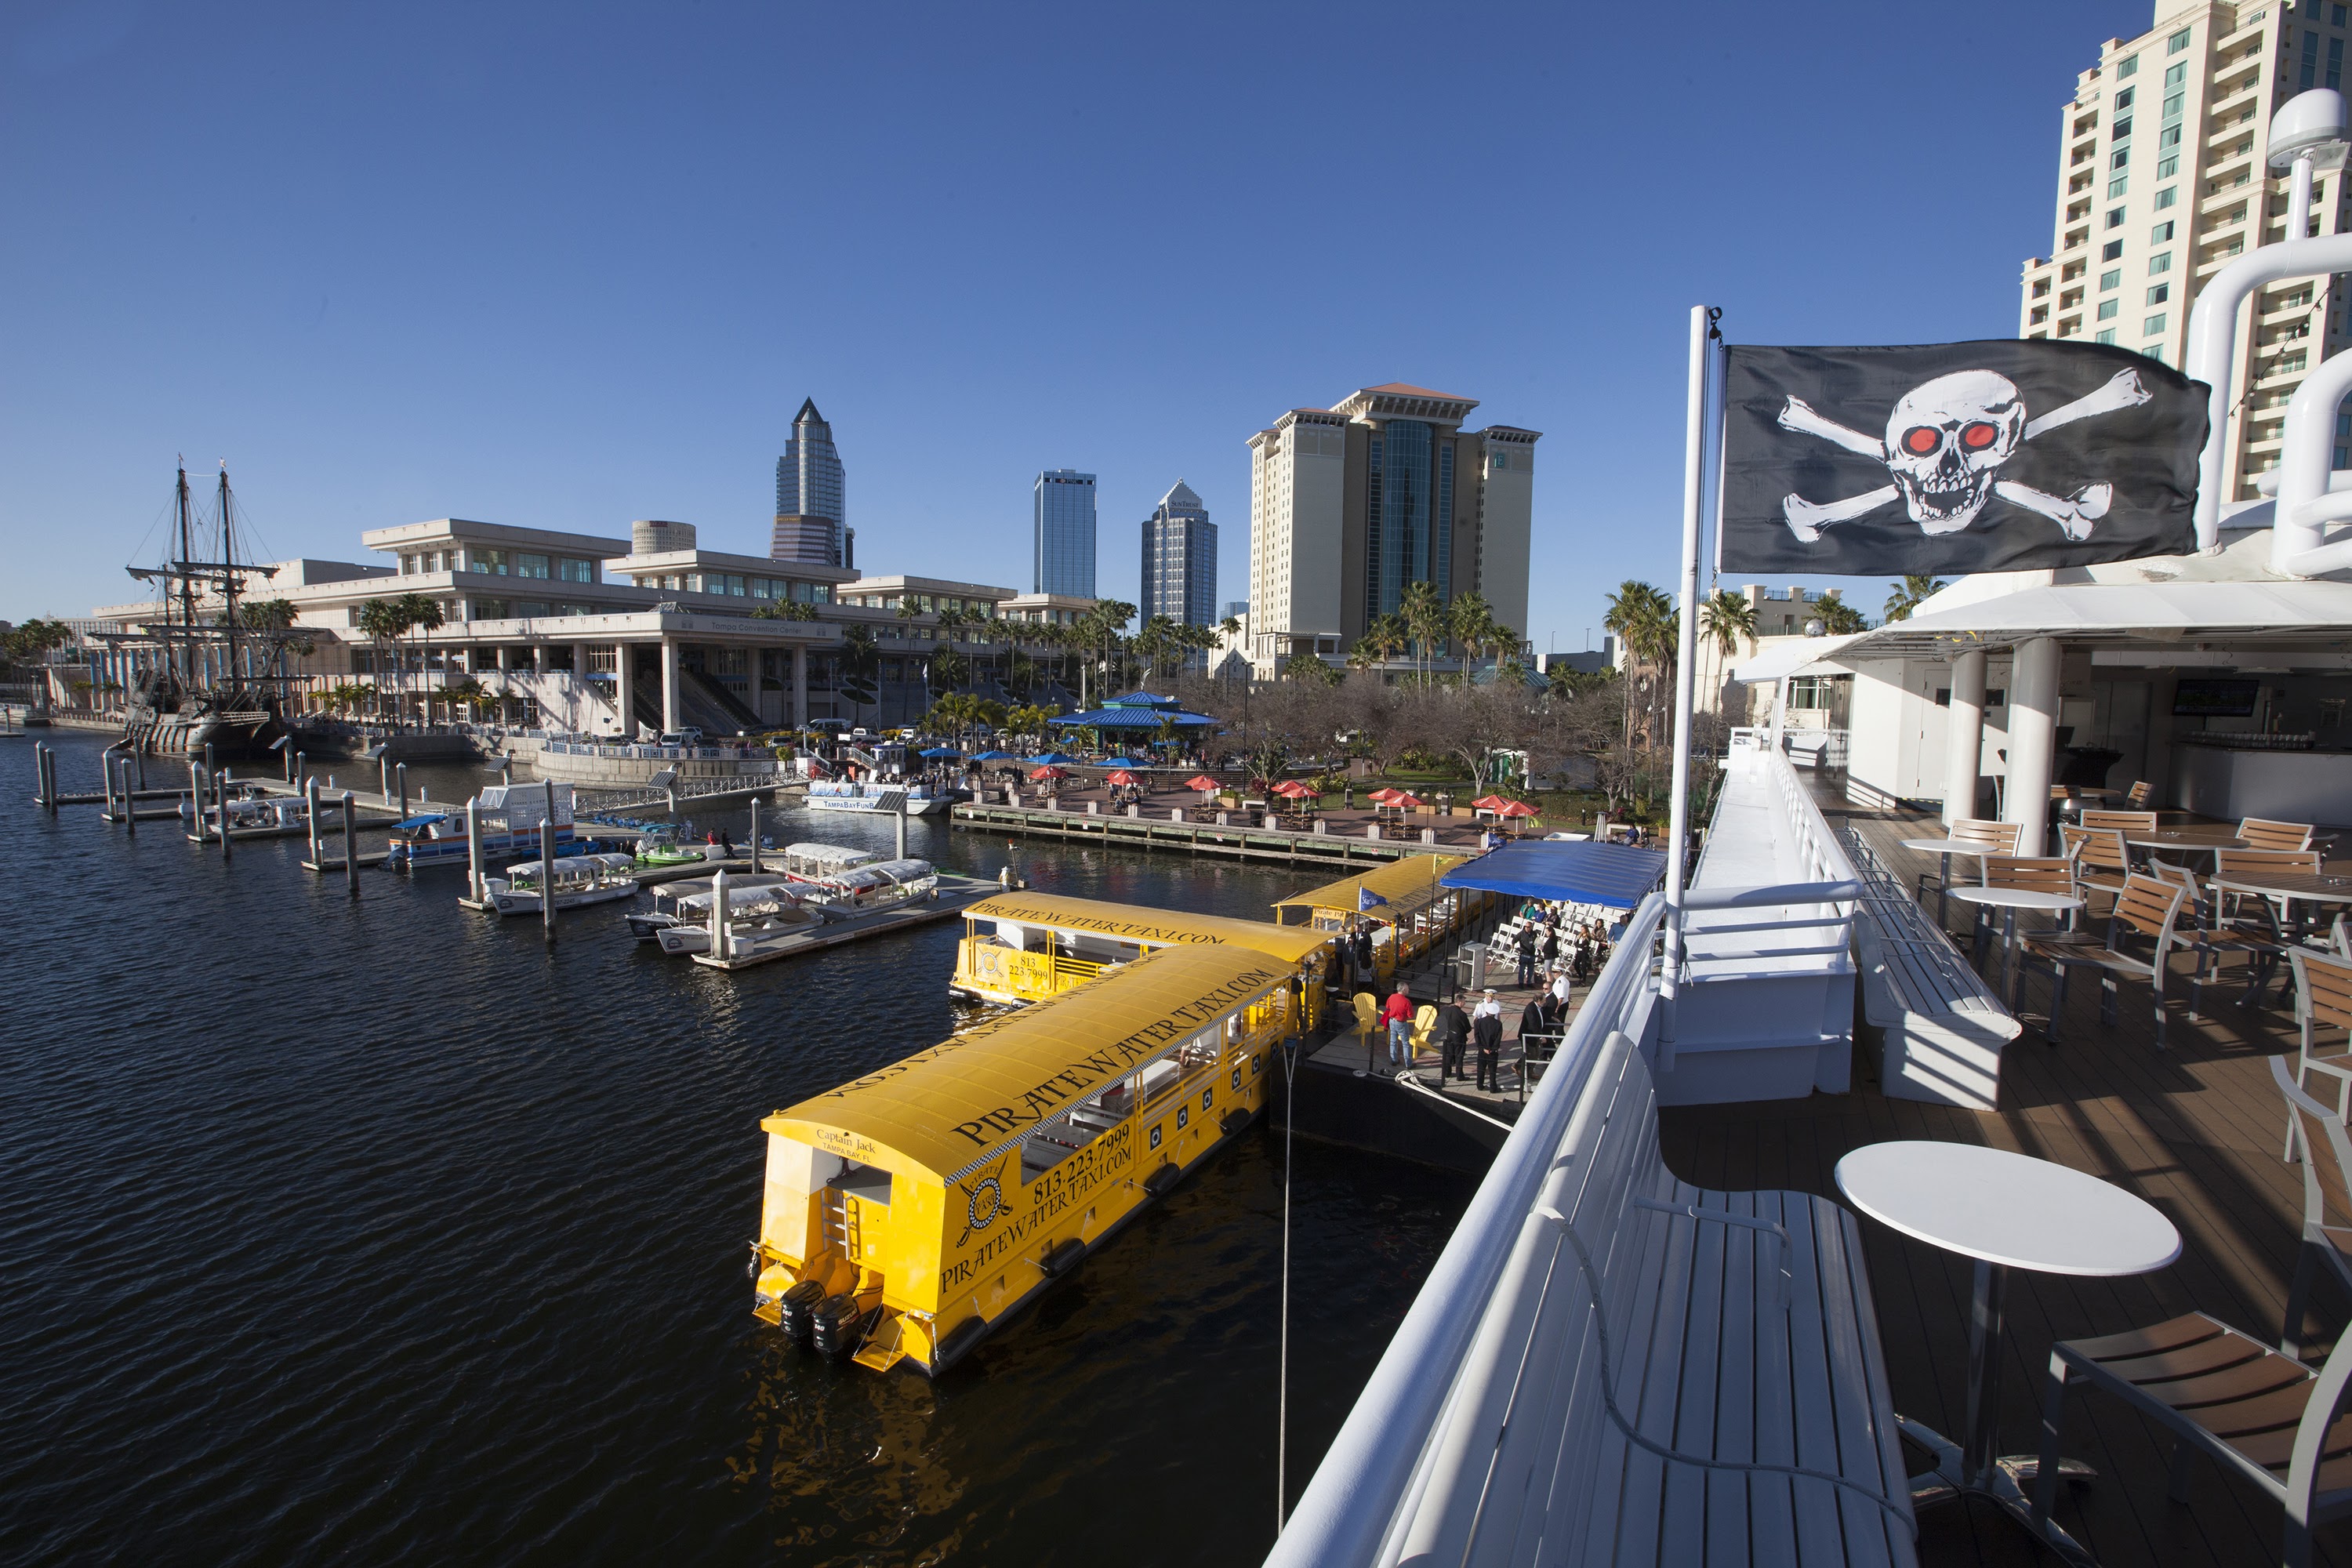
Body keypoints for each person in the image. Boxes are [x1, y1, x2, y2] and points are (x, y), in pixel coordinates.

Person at [1472, 990, 1504, 1092]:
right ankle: (1493, 1088)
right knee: (1492, 1070)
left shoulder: (1480, 1022)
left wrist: (1481, 1047)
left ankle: (1479, 1085)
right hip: (1492, 1051)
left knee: (1481, 1068)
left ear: (1486, 1012)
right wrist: (1493, 1049)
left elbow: (1477, 1036)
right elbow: (1498, 1039)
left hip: (1482, 1050)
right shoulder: (1498, 1024)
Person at [1436, 996, 1470, 1082]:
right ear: (1460, 1002)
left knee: (1449, 1055)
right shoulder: (1462, 1014)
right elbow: (1468, 1028)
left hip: (1450, 1034)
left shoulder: (1448, 1010)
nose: (1465, 1003)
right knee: (1459, 1056)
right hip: (1459, 1037)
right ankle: (1459, 1075)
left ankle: (1447, 1073)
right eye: (1464, 1002)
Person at [1382, 983, 1413, 1069]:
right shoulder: (1407, 1001)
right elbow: (1410, 1015)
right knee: (1406, 1043)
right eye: (1407, 989)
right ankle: (1408, 1063)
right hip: (1401, 1023)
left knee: (1393, 1041)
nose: (1408, 990)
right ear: (1403, 990)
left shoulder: (1392, 997)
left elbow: (1387, 1006)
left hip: (1392, 1021)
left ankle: (1394, 1060)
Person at [1515, 920, 1539, 988]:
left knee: (1531, 970)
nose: (1527, 928)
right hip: (1524, 954)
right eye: (1526, 927)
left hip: (1532, 954)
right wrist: (1513, 945)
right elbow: (1514, 940)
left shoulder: (1534, 934)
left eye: (1528, 927)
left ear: (1531, 927)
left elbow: (1537, 942)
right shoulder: (1521, 934)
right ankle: (1521, 983)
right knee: (1522, 969)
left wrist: (1539, 951)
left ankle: (1529, 982)